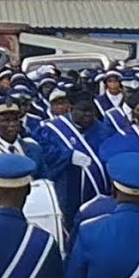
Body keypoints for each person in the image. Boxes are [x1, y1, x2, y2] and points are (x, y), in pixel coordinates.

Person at [40, 89, 113, 231]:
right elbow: (44, 154)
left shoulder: (104, 131)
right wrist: (67, 156)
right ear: (71, 108)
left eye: (90, 110)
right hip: (67, 189)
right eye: (83, 110)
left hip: (97, 192)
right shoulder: (54, 129)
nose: (88, 114)